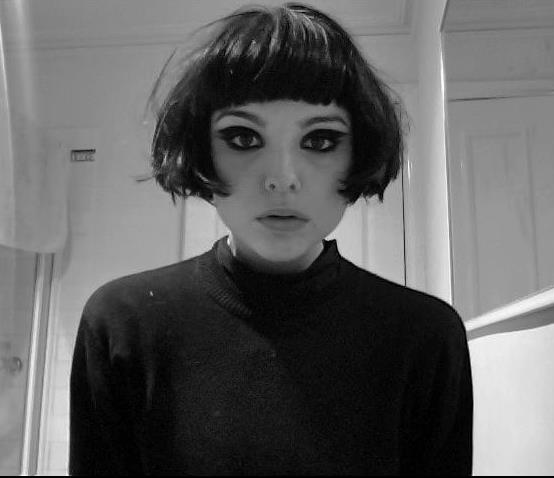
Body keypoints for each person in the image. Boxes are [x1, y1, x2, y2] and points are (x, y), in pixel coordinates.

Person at [69, 2, 473, 475]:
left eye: (320, 140)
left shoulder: (425, 337)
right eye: (243, 138)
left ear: (358, 152)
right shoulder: (123, 322)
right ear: (201, 152)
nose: (282, 179)